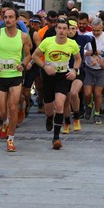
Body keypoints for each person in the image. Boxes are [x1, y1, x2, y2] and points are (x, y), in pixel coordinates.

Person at [0, 8, 31, 152]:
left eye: (11, 17)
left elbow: (29, 54)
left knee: (13, 107)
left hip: (15, 75)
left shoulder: (23, 36)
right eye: (5, 17)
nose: (8, 20)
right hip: (1, 76)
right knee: (3, 112)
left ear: (17, 20)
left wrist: (22, 64)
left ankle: (11, 139)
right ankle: (6, 122)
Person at [32, 17, 81, 150]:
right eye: (59, 28)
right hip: (48, 76)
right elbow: (35, 56)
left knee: (59, 105)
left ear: (68, 30)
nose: (62, 31)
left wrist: (74, 70)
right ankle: (49, 118)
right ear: (56, 29)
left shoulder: (72, 44)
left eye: (64, 28)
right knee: (49, 109)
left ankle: (56, 138)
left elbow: (78, 59)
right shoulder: (47, 42)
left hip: (62, 76)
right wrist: (45, 66)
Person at [61, 18, 95, 134]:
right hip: (64, 72)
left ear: (76, 29)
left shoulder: (82, 38)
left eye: (73, 29)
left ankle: (76, 117)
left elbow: (93, 39)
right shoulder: (61, 41)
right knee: (66, 99)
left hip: (79, 71)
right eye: (68, 28)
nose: (70, 31)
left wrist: (94, 54)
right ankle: (66, 122)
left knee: (74, 93)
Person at [83, 17, 104, 125]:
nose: (95, 33)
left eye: (98, 31)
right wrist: (91, 53)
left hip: (102, 68)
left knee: (97, 93)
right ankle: (89, 105)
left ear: (102, 28)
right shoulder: (87, 35)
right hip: (89, 66)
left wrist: (100, 56)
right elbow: (81, 49)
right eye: (94, 30)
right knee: (87, 93)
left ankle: (96, 113)